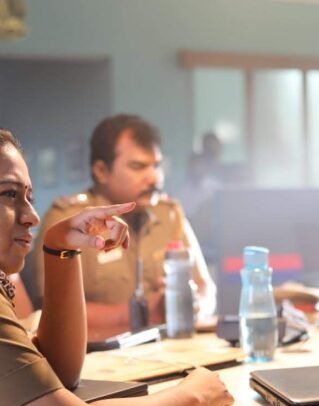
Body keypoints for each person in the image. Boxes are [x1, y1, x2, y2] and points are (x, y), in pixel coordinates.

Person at [0, 128, 234, 406]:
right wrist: (191, 396)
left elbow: (57, 373)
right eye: (9, 194)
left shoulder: (170, 212)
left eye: (28, 197)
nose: (31, 216)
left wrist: (60, 248)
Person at [33, 114, 217, 341]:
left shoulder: (168, 214)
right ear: (101, 171)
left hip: (169, 348)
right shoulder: (69, 221)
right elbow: (51, 312)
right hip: (98, 355)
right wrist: (145, 312)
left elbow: (205, 287)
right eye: (138, 166)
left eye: (157, 165)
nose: (154, 178)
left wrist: (194, 303)